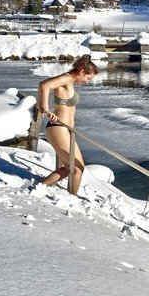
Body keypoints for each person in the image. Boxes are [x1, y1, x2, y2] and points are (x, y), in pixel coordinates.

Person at [36, 54, 98, 194]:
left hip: (65, 130)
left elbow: (42, 86)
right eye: (88, 78)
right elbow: (44, 85)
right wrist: (45, 109)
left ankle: (40, 187)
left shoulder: (69, 82)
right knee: (77, 169)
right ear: (82, 71)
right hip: (58, 128)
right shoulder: (65, 79)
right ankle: (72, 198)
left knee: (71, 168)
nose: (87, 82)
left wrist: (40, 107)